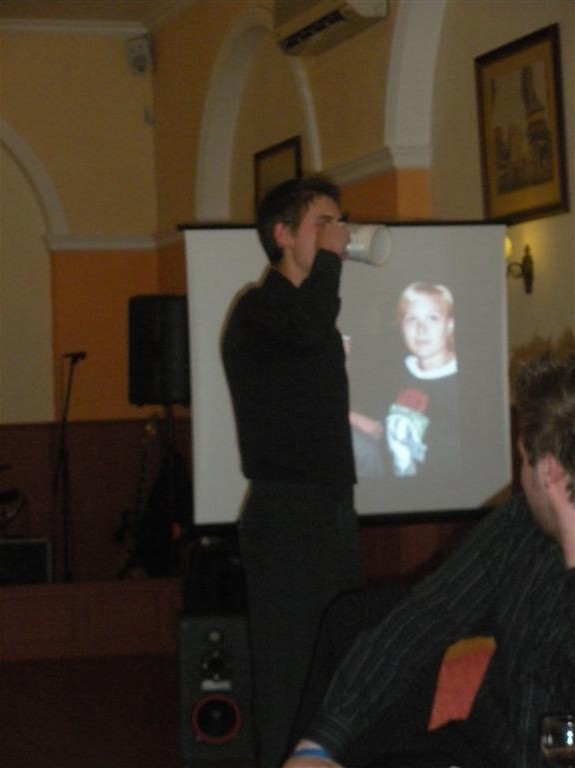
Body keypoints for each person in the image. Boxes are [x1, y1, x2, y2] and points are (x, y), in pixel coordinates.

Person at [285, 351, 575, 768]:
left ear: (547, 471)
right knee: (354, 619)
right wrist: (320, 744)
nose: (521, 477)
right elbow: (428, 615)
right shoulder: (519, 526)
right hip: (478, 752)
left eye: (523, 460)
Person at [221, 176, 364, 768]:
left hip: (330, 509)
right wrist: (330, 263)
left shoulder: (307, 315)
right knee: (288, 677)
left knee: (338, 664)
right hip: (286, 516)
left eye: (338, 223)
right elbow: (306, 327)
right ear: (282, 235)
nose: (336, 235)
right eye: (321, 224)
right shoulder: (258, 311)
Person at [385, 282, 459, 478]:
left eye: (433, 318)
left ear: (450, 325)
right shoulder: (399, 371)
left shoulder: (465, 383)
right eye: (411, 319)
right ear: (401, 326)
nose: (421, 329)